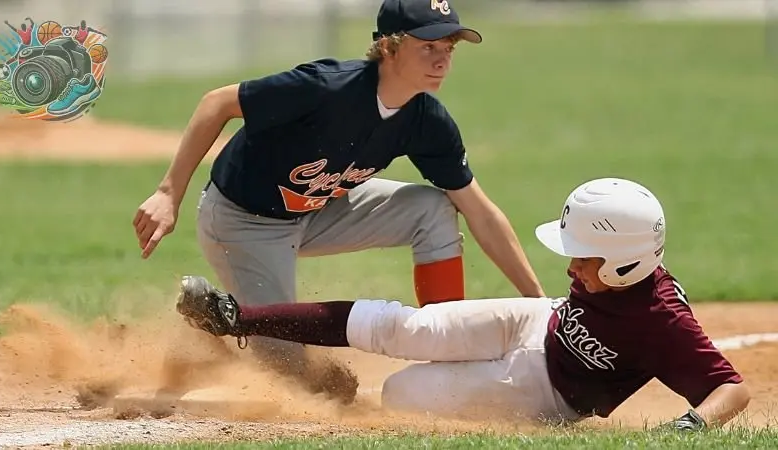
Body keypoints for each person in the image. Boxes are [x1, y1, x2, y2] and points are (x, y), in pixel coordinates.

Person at [133, 0, 545, 399]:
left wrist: (540, 304)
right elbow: (217, 103)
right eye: (428, 47)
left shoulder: (426, 121)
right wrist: (169, 193)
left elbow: (480, 211)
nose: (442, 60)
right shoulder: (326, 87)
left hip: (319, 208)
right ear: (389, 47)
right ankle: (210, 334)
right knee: (294, 379)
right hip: (244, 222)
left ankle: (448, 345)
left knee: (433, 208)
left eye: (448, 49)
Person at [175, 177, 751, 430]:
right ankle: (234, 317)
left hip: (550, 391)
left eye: (585, 257)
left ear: (626, 263)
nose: (571, 265)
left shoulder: (664, 322)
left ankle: (346, 389)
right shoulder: (607, 275)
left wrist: (689, 428)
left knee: (404, 393)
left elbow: (732, 387)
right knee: (405, 327)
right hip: (538, 320)